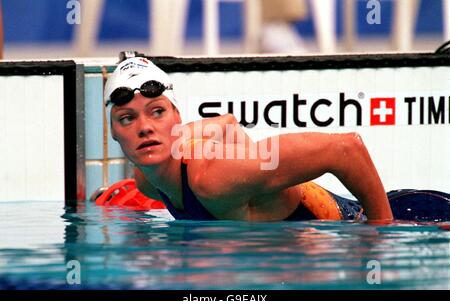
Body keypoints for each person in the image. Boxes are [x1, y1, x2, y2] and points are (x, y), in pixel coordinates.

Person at [103, 57, 449, 223]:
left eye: (157, 112)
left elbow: (346, 148)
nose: (144, 128)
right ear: (115, 134)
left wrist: (381, 237)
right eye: (127, 119)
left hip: (408, 218)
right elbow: (227, 123)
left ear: (178, 118)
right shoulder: (146, 180)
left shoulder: (213, 177)